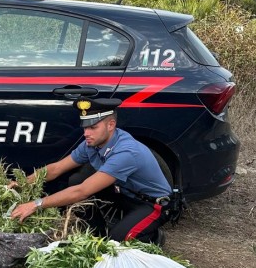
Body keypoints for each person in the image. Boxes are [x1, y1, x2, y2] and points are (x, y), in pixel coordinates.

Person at [10, 96, 172, 245]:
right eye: (85, 127)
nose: (86, 133)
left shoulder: (126, 152)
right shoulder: (92, 142)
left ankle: (153, 236)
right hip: (125, 193)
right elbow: (56, 168)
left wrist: (36, 204)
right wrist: (22, 183)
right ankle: (97, 232)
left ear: (111, 125)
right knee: (75, 180)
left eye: (93, 127)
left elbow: (82, 192)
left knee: (117, 241)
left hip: (152, 204)